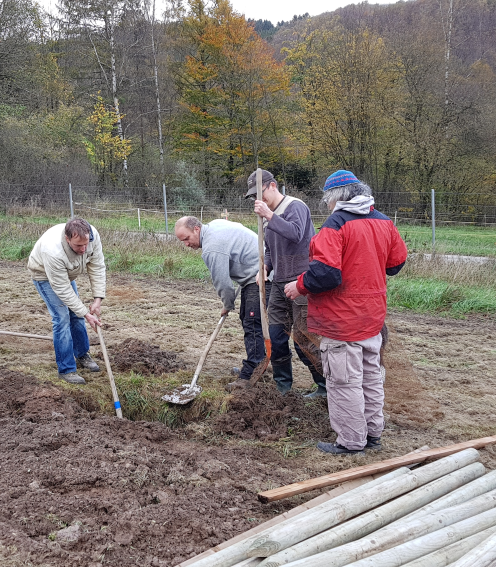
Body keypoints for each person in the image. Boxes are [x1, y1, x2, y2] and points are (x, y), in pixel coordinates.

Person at [285, 170, 407, 454]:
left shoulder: (335, 225)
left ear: (335, 197)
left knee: (343, 381)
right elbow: (396, 263)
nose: (327, 205)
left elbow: (325, 274)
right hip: (372, 316)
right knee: (370, 376)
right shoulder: (384, 221)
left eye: (327, 199)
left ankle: (351, 442)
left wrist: (299, 286)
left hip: (342, 319)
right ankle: (373, 434)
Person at [248, 169, 327, 398]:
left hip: (302, 284)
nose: (257, 200)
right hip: (279, 284)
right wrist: (266, 267)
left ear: (272, 186)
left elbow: (295, 233)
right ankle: (283, 388)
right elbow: (270, 249)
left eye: (259, 193)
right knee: (276, 336)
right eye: (253, 196)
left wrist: (270, 217)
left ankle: (324, 387)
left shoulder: (295, 207)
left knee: (305, 340)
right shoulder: (267, 215)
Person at [174, 216, 265, 391]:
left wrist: (227, 304)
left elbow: (223, 283)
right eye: (182, 241)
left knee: (252, 324)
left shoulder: (211, 248)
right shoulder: (213, 226)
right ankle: (258, 364)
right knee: (248, 319)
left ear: (196, 229)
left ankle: (250, 374)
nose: (186, 244)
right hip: (252, 275)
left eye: (186, 238)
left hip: (260, 274)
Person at [27, 218, 106, 385]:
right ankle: (67, 369)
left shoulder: (92, 235)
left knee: (76, 316)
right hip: (45, 276)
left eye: (86, 244)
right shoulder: (53, 251)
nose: (84, 249)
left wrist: (97, 299)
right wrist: (86, 313)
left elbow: (97, 266)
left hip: (66, 274)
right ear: (67, 238)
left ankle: (82, 354)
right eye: (78, 246)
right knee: (62, 318)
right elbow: (62, 288)